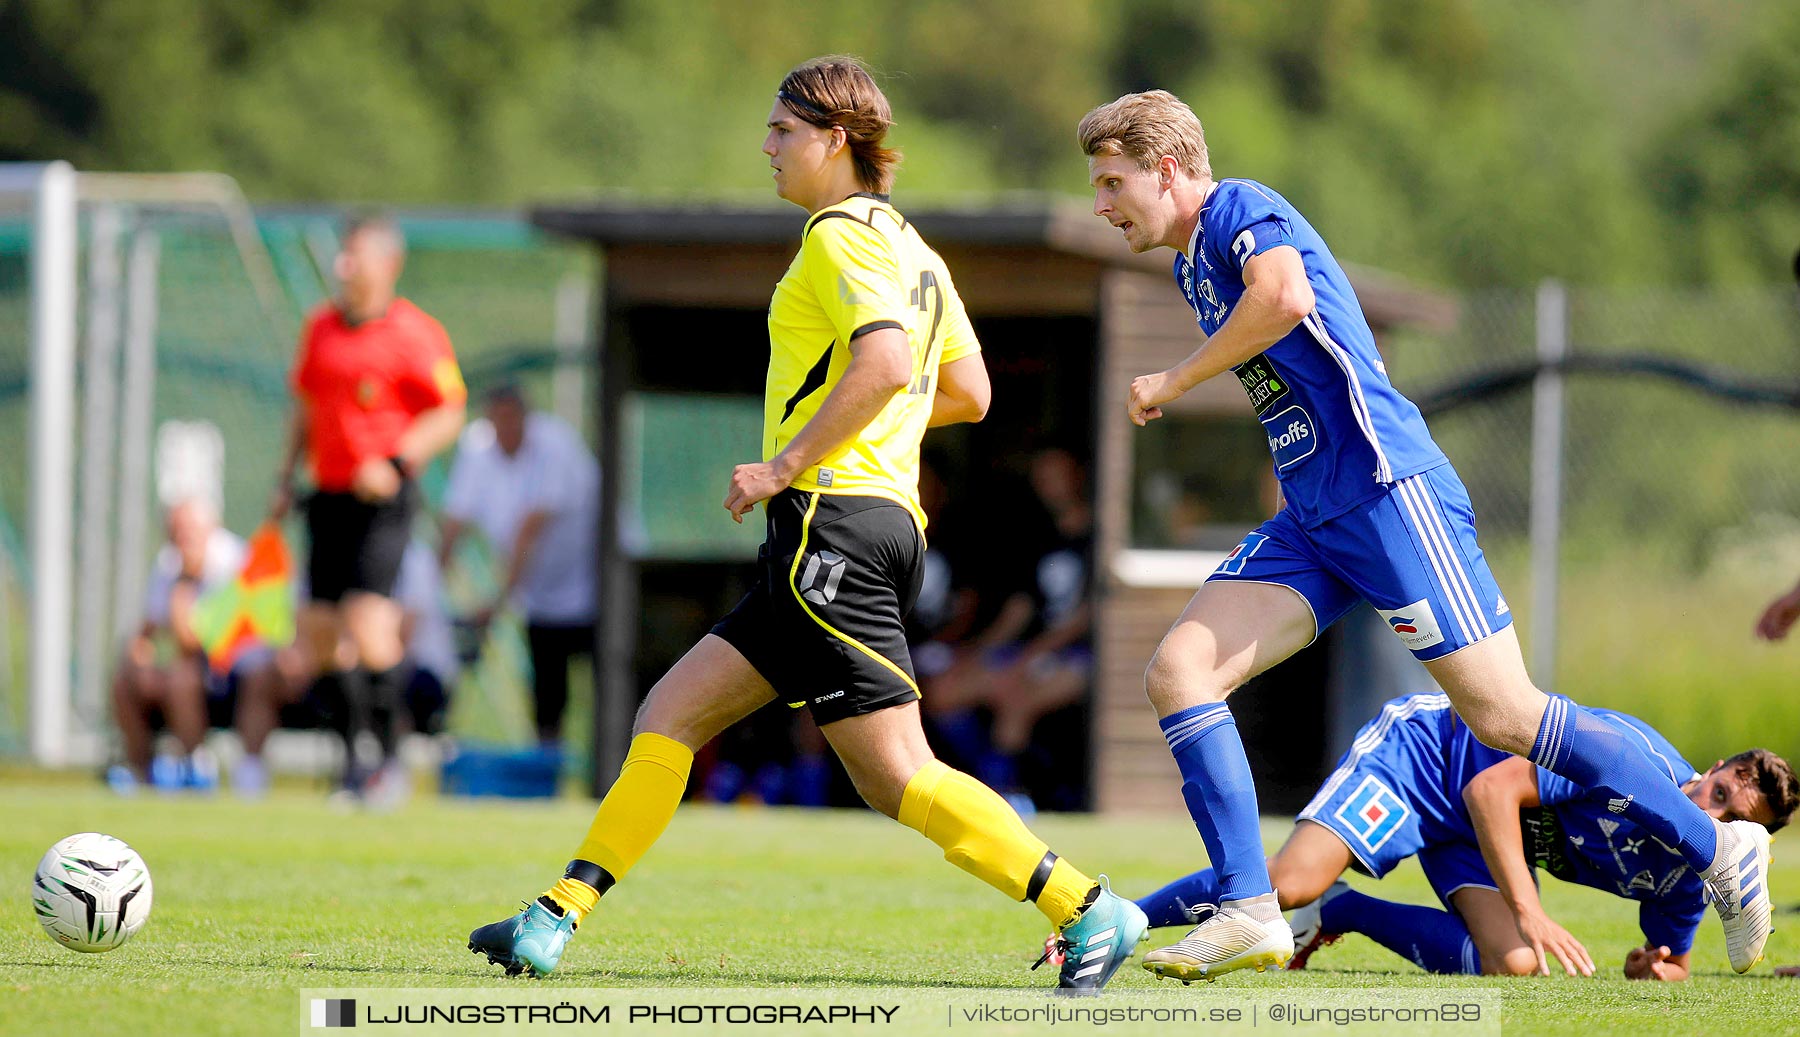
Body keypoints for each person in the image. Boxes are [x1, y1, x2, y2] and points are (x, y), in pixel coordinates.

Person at [470, 55, 1146, 993]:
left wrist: (788, 460)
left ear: (836, 140)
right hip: (855, 532)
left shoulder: (838, 236)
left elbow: (881, 361)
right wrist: (869, 427)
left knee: (902, 773)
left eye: (783, 131)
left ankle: (1086, 906)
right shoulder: (916, 249)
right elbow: (968, 393)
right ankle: (553, 917)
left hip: (834, 527)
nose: (767, 147)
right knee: (671, 714)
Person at [1076, 89, 1775, 979]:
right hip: (1317, 515)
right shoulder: (1187, 268)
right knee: (1179, 671)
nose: (1102, 205)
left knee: (1502, 714)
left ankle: (1717, 849)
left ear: (1168, 170)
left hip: (1386, 490)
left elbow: (1284, 297)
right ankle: (1252, 909)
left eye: (1111, 182)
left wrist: (1173, 380)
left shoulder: (1242, 207)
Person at [1124, 693, 1797, 982]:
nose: (1717, 820)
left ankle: (1341, 912)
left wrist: (1657, 968)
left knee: (1517, 963)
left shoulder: (1697, 869)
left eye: (1736, 822)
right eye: (1720, 793)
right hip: (1430, 761)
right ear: (1714, 768)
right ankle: (1121, 918)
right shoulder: (1633, 759)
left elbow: (1674, 957)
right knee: (1289, 880)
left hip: (1479, 834)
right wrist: (1531, 907)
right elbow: (1491, 789)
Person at [268, 211, 467, 795]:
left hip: (381, 500)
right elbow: (304, 407)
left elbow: (449, 410)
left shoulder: (414, 333)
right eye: (341, 256)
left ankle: (386, 762)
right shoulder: (321, 328)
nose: (342, 267)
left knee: (370, 623)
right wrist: (285, 476)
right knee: (319, 633)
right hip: (326, 497)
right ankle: (351, 759)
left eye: (353, 256)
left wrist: (398, 462)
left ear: (387, 264)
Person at [233, 540, 458, 803]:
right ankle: (250, 780)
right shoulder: (325, 557)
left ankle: (385, 769)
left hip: (410, 672)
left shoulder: (414, 559)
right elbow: (305, 625)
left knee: (365, 676)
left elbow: (402, 638)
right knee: (271, 677)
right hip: (333, 667)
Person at [439, 383, 598, 747]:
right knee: (547, 692)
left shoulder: (556, 444)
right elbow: (453, 524)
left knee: (611, 687)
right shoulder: (477, 451)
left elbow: (529, 531)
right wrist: (433, 590)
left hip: (594, 589)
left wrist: (495, 604)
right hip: (541, 598)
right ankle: (547, 774)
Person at [108, 497, 244, 793]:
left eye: (187, 531)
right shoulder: (168, 563)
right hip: (190, 671)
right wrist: (138, 656)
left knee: (182, 678)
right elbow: (147, 631)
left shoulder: (234, 564)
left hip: (237, 678)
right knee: (126, 680)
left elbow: (194, 642)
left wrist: (183, 584)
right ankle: (140, 772)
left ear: (211, 529)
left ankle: (195, 767)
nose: (180, 540)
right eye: (174, 532)